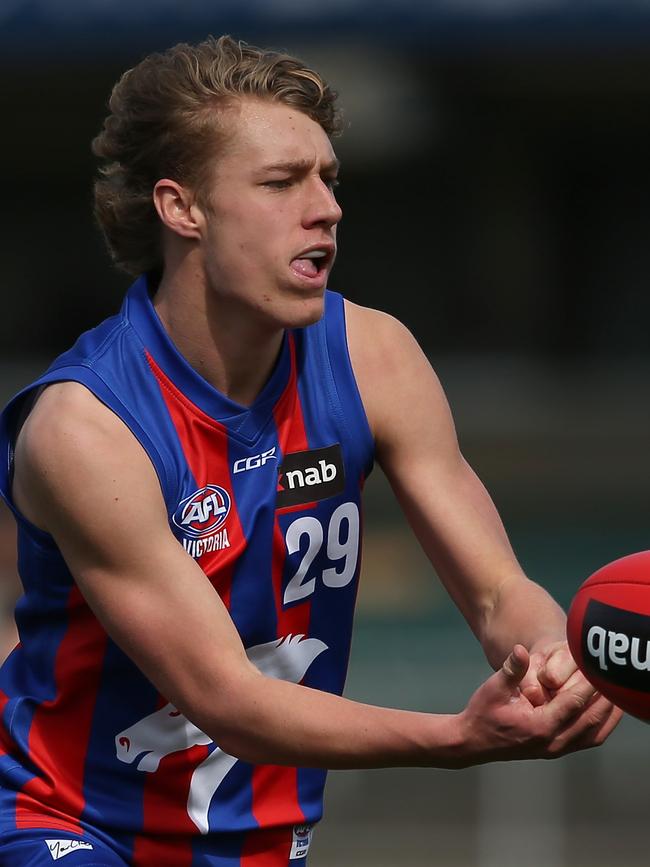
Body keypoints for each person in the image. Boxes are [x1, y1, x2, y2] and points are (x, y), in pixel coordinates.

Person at [0, 35, 620, 867]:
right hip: (67, 820)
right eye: (281, 182)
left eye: (328, 178)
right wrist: (457, 737)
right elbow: (226, 698)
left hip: (262, 836)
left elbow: (498, 589)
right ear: (182, 208)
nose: (325, 207)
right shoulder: (87, 427)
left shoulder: (375, 356)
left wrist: (548, 660)